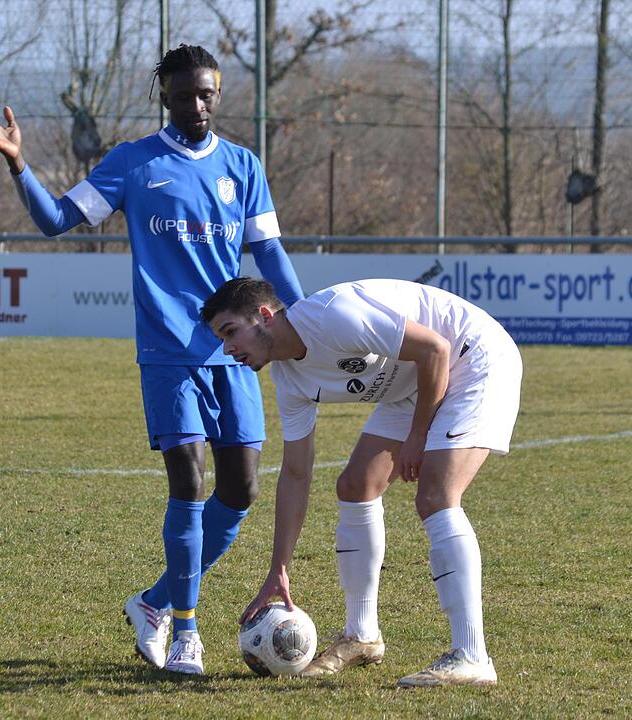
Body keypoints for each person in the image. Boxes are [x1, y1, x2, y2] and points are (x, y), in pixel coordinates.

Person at [0, 45, 304, 676]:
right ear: (165, 99)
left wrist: (307, 317)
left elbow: (269, 254)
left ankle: (152, 603)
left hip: (234, 349)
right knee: (190, 483)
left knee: (240, 491)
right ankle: (186, 631)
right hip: (167, 350)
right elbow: (56, 220)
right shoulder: (134, 162)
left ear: (217, 93)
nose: (196, 105)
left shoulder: (243, 165)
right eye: (184, 96)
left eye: (206, 94)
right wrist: (19, 164)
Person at [202, 277, 522, 688]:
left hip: (473, 356)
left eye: (230, 332)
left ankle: (472, 655)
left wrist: (418, 437)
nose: (228, 348)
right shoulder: (288, 380)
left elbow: (435, 349)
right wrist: (278, 569)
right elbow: (296, 473)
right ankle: (361, 636)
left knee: (436, 496)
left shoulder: (334, 316)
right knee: (356, 485)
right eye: (221, 339)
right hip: (413, 381)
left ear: (264, 316)